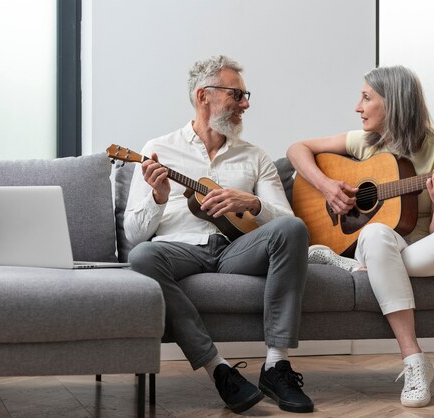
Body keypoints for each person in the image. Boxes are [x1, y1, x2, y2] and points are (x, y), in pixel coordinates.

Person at [124, 55, 314, 414]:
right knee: (141, 258)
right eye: (236, 95)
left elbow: (286, 220)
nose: (245, 104)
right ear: (203, 97)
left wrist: (254, 203)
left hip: (235, 250)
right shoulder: (158, 150)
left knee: (292, 228)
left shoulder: (255, 157)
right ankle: (219, 369)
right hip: (179, 250)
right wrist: (158, 198)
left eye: (246, 96)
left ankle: (276, 365)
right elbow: (135, 235)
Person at [287, 65, 434, 408]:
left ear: (394, 103)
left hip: (432, 247)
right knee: (375, 232)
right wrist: (327, 185)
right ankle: (414, 360)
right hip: (386, 245)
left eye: (366, 97)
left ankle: (360, 266)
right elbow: (297, 149)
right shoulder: (365, 142)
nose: (357, 107)